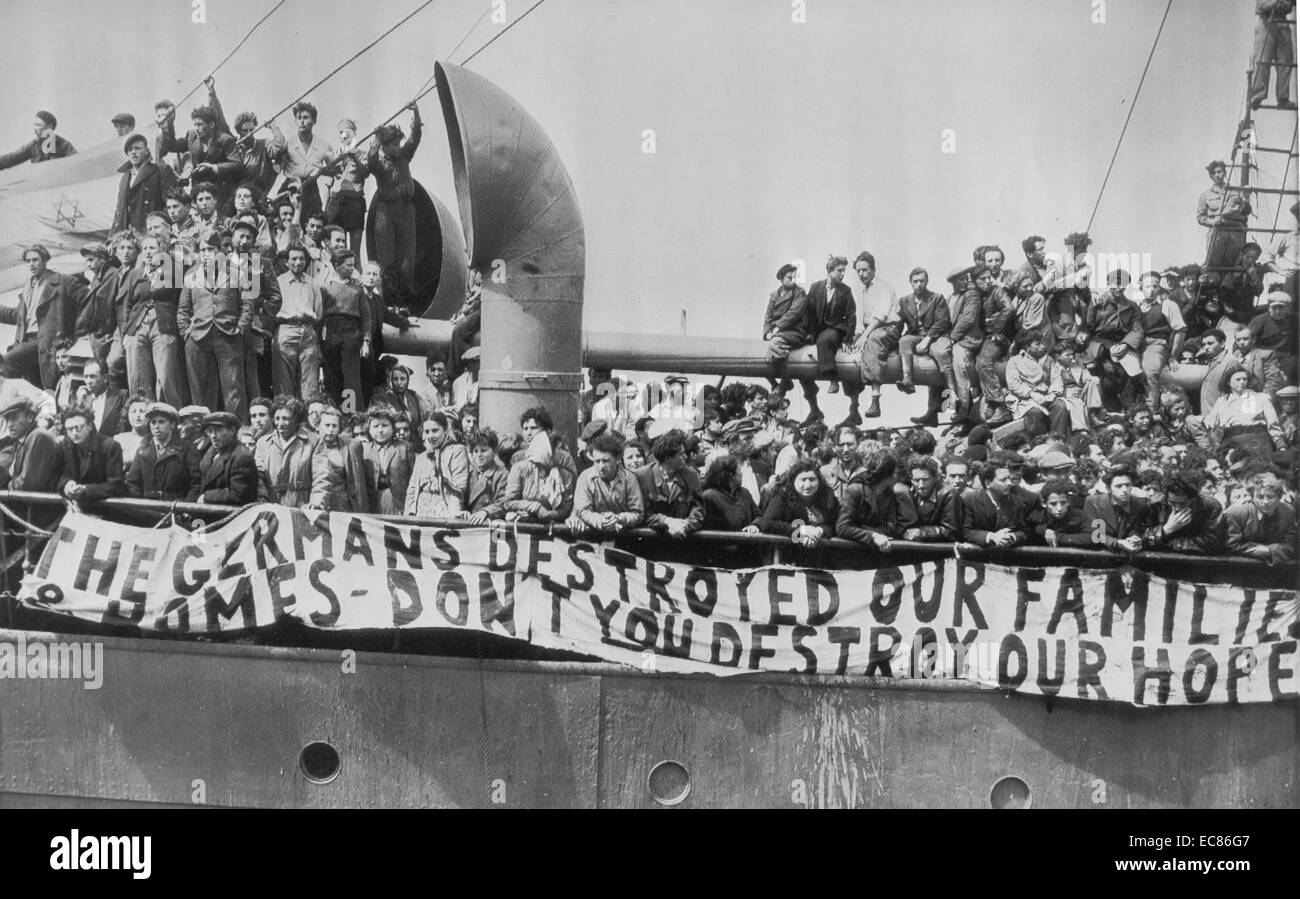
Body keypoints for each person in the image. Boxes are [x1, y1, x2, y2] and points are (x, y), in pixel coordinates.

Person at [179, 232, 252, 419]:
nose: (206, 254)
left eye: (210, 249)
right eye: (202, 250)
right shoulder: (191, 276)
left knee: (233, 389)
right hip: (197, 339)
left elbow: (246, 304)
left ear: (220, 252)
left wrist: (241, 328)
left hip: (228, 336)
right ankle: (204, 435)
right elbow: (183, 310)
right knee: (201, 391)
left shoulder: (236, 273)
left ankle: (239, 432)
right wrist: (187, 332)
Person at [7, 245, 80, 390]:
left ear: (45, 260)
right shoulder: (29, 285)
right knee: (38, 388)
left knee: (6, 362)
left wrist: (77, 333)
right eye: (28, 261)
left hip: (44, 342)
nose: (31, 264)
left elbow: (87, 300)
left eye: (35, 260)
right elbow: (19, 316)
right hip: (25, 341)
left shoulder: (62, 281)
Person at [367, 106, 423, 291]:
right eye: (395, 144)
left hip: (406, 210)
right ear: (385, 146)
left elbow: (415, 138)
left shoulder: (404, 157)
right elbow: (371, 160)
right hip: (386, 211)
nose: (399, 147)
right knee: (387, 257)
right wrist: (376, 137)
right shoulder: (380, 164)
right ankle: (389, 302)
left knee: (407, 256)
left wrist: (415, 113)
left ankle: (404, 302)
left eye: (399, 144)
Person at [799, 255, 856, 423]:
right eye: (839, 271)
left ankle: (833, 379)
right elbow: (808, 312)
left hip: (835, 329)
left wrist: (846, 339)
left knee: (825, 340)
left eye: (844, 271)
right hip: (817, 329)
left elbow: (851, 316)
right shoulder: (816, 287)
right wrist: (808, 332)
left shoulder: (846, 291)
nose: (842, 274)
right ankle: (811, 400)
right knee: (803, 349)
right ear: (830, 271)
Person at [898, 267, 956, 426]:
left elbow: (942, 322)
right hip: (915, 335)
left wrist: (928, 339)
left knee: (941, 354)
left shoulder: (937, 298)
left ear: (927, 281)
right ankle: (907, 380)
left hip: (935, 336)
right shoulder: (904, 301)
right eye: (915, 281)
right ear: (910, 282)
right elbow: (899, 323)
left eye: (921, 281)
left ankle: (951, 395)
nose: (918, 284)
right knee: (904, 341)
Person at [157, 102, 241, 211]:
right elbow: (173, 146)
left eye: (200, 124)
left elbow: (237, 164)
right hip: (198, 192)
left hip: (220, 194)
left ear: (211, 124)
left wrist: (214, 167)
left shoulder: (225, 140)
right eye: (195, 125)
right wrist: (168, 125)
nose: (196, 128)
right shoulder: (192, 136)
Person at [1080, 269, 1144, 410]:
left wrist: (1126, 344)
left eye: (1123, 284)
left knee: (1132, 373)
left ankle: (1129, 409)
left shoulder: (1132, 307)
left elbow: (1137, 329)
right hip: (1099, 345)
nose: (1119, 287)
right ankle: (1109, 409)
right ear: (1108, 283)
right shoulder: (1097, 302)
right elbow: (1087, 328)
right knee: (1109, 373)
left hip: (1122, 344)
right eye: (1116, 283)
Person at [253, 397, 328, 509]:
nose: (280, 424)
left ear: (296, 420)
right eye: (277, 418)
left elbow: (321, 476)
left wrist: (316, 502)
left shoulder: (314, 441)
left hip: (302, 505)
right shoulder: (263, 443)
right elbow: (259, 475)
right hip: (271, 507)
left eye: (286, 419)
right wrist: (262, 498)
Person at [268, 101, 335, 225]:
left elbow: (334, 169)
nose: (302, 121)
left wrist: (322, 171)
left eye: (306, 118)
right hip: (290, 188)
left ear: (314, 120)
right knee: (283, 224)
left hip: (311, 189)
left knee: (314, 223)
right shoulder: (288, 144)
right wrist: (273, 127)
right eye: (299, 118)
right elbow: (275, 165)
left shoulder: (324, 145)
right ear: (295, 121)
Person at [320, 250, 372, 409]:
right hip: (331, 335)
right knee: (332, 376)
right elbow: (319, 315)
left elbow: (366, 316)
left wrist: (366, 341)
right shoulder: (325, 287)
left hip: (351, 335)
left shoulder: (357, 288)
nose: (352, 268)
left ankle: (351, 413)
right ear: (337, 265)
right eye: (349, 265)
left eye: (353, 265)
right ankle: (335, 412)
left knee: (350, 378)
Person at [852, 251, 900, 419]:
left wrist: (865, 335)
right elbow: (863, 318)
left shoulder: (882, 286)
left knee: (873, 341)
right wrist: (857, 335)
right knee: (850, 344)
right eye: (858, 271)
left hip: (889, 328)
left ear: (873, 270)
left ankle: (875, 399)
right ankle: (853, 406)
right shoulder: (864, 290)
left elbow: (881, 315)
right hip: (872, 327)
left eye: (865, 270)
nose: (861, 274)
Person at [274, 245, 323, 402]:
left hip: (308, 331)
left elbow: (319, 312)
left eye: (301, 259)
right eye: (293, 259)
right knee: (284, 382)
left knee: (310, 384)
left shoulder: (313, 284)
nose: (298, 262)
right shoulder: (278, 282)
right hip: (285, 330)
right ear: (287, 262)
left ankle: (309, 419)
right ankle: (285, 417)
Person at [1203, 366, 1287, 458]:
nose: (1242, 382)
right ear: (1228, 382)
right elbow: (1209, 423)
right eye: (1238, 379)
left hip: (1258, 444)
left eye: (1244, 379)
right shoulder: (1221, 402)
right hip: (1232, 446)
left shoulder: (1261, 398)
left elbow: (1273, 423)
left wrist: (1281, 445)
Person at [635, 431, 705, 538]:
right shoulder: (643, 476)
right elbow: (643, 513)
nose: (686, 457)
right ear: (668, 458)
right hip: (653, 542)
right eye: (681, 454)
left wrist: (684, 526)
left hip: (684, 539)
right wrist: (667, 521)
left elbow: (699, 510)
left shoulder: (691, 475)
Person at [571, 432, 645, 534]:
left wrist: (618, 518)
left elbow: (638, 514)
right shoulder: (585, 478)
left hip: (623, 537)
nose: (601, 466)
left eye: (606, 461)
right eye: (597, 461)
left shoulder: (629, 479)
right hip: (593, 535)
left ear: (618, 459)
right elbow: (583, 511)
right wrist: (601, 521)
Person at [126, 402, 201, 501]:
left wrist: (186, 508)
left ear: (172, 425)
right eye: (153, 422)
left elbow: (196, 483)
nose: (156, 426)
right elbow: (133, 484)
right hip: (147, 510)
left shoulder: (186, 448)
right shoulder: (142, 450)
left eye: (161, 422)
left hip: (176, 509)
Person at [1004, 333, 1072, 440]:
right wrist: (1031, 394)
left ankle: (1057, 441)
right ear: (1027, 347)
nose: (1043, 347)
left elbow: (1056, 379)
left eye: (1043, 343)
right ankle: (1039, 444)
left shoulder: (1048, 360)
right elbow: (1014, 384)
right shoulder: (1014, 361)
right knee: (1035, 412)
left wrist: (1053, 393)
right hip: (1026, 399)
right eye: (1038, 344)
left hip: (1047, 396)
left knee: (1060, 406)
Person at [1142, 469, 1226, 555]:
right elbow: (1146, 541)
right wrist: (1166, 530)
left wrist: (1168, 543)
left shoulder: (1211, 506)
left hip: (1196, 563)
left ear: (1193, 498)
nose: (1177, 508)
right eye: (1172, 502)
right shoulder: (1157, 505)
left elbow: (1213, 543)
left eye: (1183, 503)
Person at [757, 459, 838, 546]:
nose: (808, 485)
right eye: (803, 480)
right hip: (787, 551)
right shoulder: (783, 495)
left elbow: (834, 525)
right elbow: (768, 524)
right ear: (793, 481)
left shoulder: (827, 496)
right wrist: (802, 530)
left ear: (819, 481)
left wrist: (819, 531)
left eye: (812, 479)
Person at [57, 405, 126, 507]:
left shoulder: (110, 446)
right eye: (70, 429)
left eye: (78, 428)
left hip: (106, 508)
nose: (74, 433)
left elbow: (115, 485)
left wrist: (85, 489)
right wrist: (66, 485)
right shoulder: (65, 445)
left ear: (89, 426)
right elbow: (59, 476)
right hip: (74, 507)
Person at [406, 411, 470, 518]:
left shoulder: (457, 451)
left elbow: (458, 488)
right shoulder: (421, 458)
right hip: (421, 511)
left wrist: (454, 513)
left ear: (445, 430)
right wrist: (409, 515)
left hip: (445, 509)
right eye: (427, 432)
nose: (430, 436)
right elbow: (412, 490)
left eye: (435, 430)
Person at [836, 448, 902, 551]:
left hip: (880, 548)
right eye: (895, 473)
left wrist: (868, 531)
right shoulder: (855, 490)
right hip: (851, 551)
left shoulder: (888, 492)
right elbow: (842, 527)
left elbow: (891, 526)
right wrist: (873, 535)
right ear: (890, 475)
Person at [1197, 160, 1252, 282]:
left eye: (1219, 171)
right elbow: (1200, 217)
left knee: (1233, 266)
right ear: (1211, 176)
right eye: (1214, 172)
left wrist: (1246, 199)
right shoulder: (1205, 196)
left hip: (1235, 232)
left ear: (1225, 173)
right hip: (1218, 232)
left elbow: (1246, 211)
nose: (1217, 175)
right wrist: (1212, 222)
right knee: (1214, 266)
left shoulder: (1236, 192)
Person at [1224, 471, 1296, 563]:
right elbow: (1230, 545)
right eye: (1260, 497)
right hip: (1241, 568)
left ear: (1279, 497)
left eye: (1270, 497)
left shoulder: (1288, 512)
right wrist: (1258, 549)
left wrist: (1270, 551)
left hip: (1276, 569)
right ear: (1253, 497)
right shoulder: (1237, 513)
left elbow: (1292, 544)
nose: (1265, 501)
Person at [321, 118, 369, 255]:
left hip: (354, 203)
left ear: (354, 134)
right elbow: (327, 171)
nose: (345, 135)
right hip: (336, 203)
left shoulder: (362, 154)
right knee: (336, 250)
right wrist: (327, 165)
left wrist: (354, 157)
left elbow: (365, 173)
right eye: (341, 132)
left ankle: (354, 276)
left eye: (348, 131)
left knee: (354, 253)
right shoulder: (335, 155)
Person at [112, 133, 176, 234]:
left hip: (151, 233)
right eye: (130, 150)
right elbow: (119, 211)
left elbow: (172, 203)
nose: (133, 152)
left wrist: (161, 229)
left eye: (137, 148)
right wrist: (112, 238)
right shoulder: (125, 178)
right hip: (128, 236)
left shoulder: (160, 170)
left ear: (146, 151)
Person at [948, 264, 988, 425]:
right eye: (961, 280)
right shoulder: (950, 298)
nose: (965, 282)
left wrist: (952, 338)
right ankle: (941, 407)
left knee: (959, 361)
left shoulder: (971, 295)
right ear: (953, 283)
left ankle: (965, 405)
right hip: (955, 338)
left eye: (966, 278)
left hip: (968, 339)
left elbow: (968, 319)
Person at [1081, 465, 1150, 553]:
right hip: (1099, 556)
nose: (1125, 490)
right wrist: (1117, 543)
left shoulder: (1139, 505)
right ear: (1109, 488)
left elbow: (1136, 530)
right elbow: (1096, 534)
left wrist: (1134, 539)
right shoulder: (1093, 502)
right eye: (1119, 486)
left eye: (1128, 485)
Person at [960, 460, 1030, 547]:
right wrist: (992, 537)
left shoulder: (1016, 501)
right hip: (978, 557)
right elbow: (966, 532)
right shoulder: (969, 500)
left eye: (1009, 478)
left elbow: (1023, 531)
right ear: (988, 483)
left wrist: (1011, 537)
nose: (1009, 483)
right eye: (1003, 480)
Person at [316, 405, 371, 513]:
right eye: (327, 425)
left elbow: (362, 479)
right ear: (318, 426)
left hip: (346, 507)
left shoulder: (353, 446)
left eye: (334, 426)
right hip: (320, 508)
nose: (331, 430)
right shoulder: (308, 447)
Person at [762, 263, 808, 393]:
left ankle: (785, 379)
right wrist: (767, 332)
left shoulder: (799, 292)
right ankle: (775, 382)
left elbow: (793, 313)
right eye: (789, 277)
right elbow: (768, 316)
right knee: (763, 354)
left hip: (794, 331)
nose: (793, 280)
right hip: (778, 332)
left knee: (773, 346)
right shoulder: (774, 295)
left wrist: (776, 328)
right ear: (781, 279)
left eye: (794, 277)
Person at [195, 411, 257, 505]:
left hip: (227, 516)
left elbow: (238, 495)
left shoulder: (241, 457)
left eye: (217, 430)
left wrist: (207, 497)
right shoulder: (212, 451)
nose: (213, 436)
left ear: (232, 431)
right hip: (207, 510)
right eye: (210, 431)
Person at [359, 404, 412, 514]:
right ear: (369, 429)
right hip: (373, 499)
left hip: (397, 499)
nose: (380, 430)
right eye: (376, 426)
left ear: (393, 428)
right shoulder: (364, 449)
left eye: (384, 425)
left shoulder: (404, 448)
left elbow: (413, 478)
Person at [0, 398, 62, 491]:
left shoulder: (38, 436)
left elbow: (27, 484)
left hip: (40, 504)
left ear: (29, 417)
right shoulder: (22, 441)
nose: (9, 425)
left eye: (14, 418)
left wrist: (8, 485)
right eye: (7, 420)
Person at [898, 454, 960, 542]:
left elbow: (951, 530)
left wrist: (923, 532)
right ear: (911, 479)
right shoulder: (908, 492)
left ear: (935, 478)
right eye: (916, 480)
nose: (921, 485)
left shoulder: (948, 494)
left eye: (925, 480)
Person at [1250, 0, 1296, 110]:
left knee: (1286, 61)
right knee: (1262, 59)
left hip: (1282, 21)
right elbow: (1261, 5)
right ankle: (1257, 95)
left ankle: (1283, 98)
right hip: (1266, 21)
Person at [700, 455, 760, 532]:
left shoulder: (744, 493)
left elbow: (758, 516)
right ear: (731, 475)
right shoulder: (710, 497)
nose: (741, 473)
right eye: (739, 470)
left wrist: (754, 525)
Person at [0, 111, 76, 169]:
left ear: (49, 127)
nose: (35, 129)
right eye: (34, 124)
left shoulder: (64, 145)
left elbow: (77, 163)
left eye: (38, 125)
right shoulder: (33, 145)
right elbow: (12, 158)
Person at [463, 428, 509, 525]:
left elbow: (504, 503)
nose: (479, 455)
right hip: (471, 523)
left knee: (499, 539)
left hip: (493, 523)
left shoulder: (502, 474)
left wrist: (486, 511)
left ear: (494, 451)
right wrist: (463, 510)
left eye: (483, 450)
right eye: (475, 451)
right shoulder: (469, 473)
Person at [1030, 479, 1092, 547]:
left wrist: (1058, 536)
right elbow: (1027, 531)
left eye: (1063, 503)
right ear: (1044, 503)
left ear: (1069, 501)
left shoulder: (1079, 515)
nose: (1059, 508)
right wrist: (1044, 530)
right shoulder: (1036, 516)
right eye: (1053, 504)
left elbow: (1095, 538)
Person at [447, 270, 483, 383]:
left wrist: (464, 313)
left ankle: (456, 374)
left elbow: (479, 296)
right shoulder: (471, 271)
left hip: (485, 306)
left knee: (459, 331)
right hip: (476, 307)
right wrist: (460, 313)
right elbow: (469, 295)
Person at [80, 360, 127, 438]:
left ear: (105, 378)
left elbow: (122, 428)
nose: (88, 381)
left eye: (92, 376)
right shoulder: (83, 399)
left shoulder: (120, 396)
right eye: (86, 377)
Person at [114, 394, 151, 471]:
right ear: (127, 415)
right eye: (133, 411)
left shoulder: (153, 439)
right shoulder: (119, 439)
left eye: (142, 411)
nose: (137, 415)